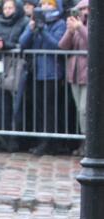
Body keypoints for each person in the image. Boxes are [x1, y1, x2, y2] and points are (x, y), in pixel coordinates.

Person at [19, 0, 66, 155]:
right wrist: (31, 29)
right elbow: (22, 43)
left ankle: (49, 142)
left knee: (49, 109)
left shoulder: (60, 24)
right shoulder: (35, 22)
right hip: (35, 72)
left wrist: (43, 29)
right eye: (43, 3)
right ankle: (41, 140)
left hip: (51, 72)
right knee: (38, 109)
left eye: (49, 4)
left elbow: (57, 45)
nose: (45, 7)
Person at [0, 0, 29, 153]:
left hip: (18, 66)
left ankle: (16, 140)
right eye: (5, 7)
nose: (7, 10)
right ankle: (4, 140)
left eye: (10, 7)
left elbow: (23, 43)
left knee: (17, 105)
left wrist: (5, 45)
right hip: (1, 66)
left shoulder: (24, 21)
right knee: (1, 104)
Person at [58, 0, 88, 156]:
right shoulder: (75, 26)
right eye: (79, 9)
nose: (82, 12)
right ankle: (85, 141)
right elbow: (62, 46)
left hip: (90, 74)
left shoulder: (92, 25)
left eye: (84, 9)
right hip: (75, 73)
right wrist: (70, 31)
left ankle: (89, 142)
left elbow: (93, 42)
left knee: (85, 109)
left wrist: (80, 28)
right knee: (79, 110)